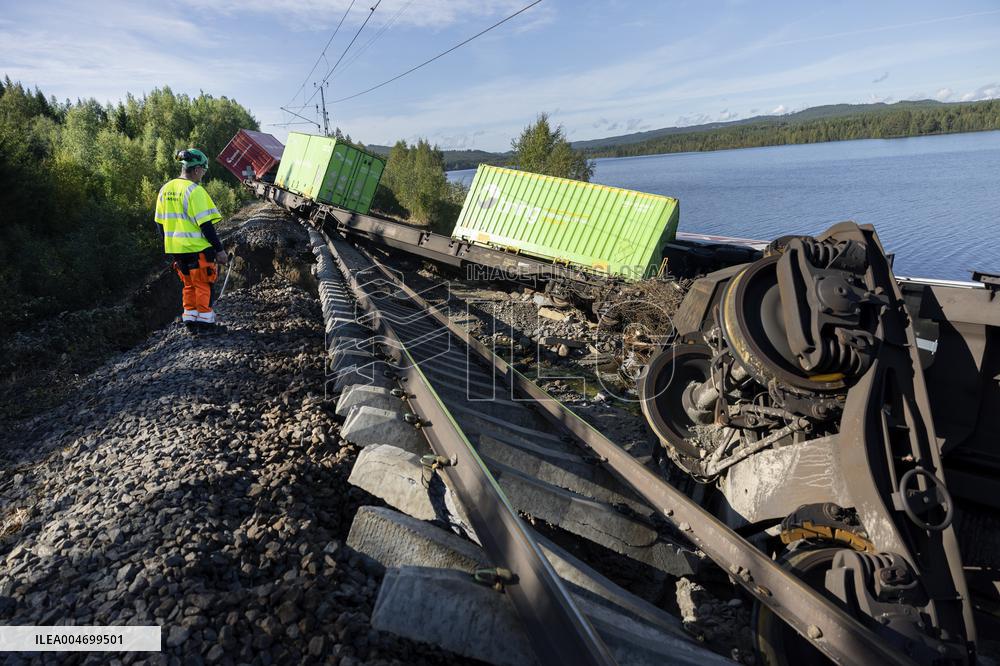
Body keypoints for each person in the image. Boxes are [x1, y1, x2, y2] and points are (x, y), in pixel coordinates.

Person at [154, 149, 229, 334]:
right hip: (197, 249)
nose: (203, 173)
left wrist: (170, 247)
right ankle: (205, 324)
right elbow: (206, 225)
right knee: (203, 284)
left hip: (177, 251)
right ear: (196, 170)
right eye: (203, 170)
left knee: (189, 285)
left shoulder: (165, 189)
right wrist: (219, 250)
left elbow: (159, 224)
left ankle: (190, 319)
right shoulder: (195, 191)